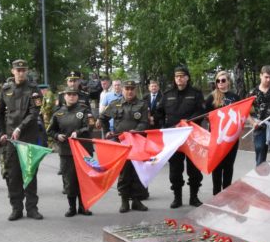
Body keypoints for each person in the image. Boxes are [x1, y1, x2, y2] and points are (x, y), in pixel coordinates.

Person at [0, 59, 43, 221]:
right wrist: (0, 133)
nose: (21, 73)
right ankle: (16, 208)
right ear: (12, 71)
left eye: (23, 70)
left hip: (28, 137)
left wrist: (20, 128)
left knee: (30, 173)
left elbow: (34, 112)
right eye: (18, 70)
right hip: (11, 139)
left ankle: (32, 208)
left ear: (27, 71)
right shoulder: (5, 90)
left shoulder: (34, 90)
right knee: (13, 174)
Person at [155, 65, 205, 208]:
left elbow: (201, 112)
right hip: (174, 137)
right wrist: (163, 127)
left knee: (194, 170)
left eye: (182, 76)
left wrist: (188, 122)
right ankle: (177, 198)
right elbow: (159, 112)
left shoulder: (196, 93)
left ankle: (194, 197)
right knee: (175, 170)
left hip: (191, 136)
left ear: (187, 78)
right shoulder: (167, 94)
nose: (179, 79)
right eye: (177, 76)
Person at [99, 80, 149, 213]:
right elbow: (102, 118)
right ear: (122, 90)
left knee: (137, 172)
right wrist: (107, 131)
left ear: (135, 90)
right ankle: (124, 200)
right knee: (124, 172)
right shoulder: (115, 104)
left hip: (137, 143)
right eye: (127, 89)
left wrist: (136, 130)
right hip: (121, 144)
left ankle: (136, 201)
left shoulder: (142, 104)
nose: (129, 91)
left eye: (132, 89)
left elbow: (144, 122)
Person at [47, 86, 94, 217]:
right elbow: (50, 130)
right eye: (69, 94)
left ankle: (83, 207)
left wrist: (78, 132)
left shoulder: (84, 110)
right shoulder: (58, 113)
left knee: (83, 179)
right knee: (69, 180)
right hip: (66, 151)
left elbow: (90, 126)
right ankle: (72, 207)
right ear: (65, 96)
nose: (71, 97)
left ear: (77, 97)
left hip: (83, 150)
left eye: (74, 94)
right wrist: (57, 136)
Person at [205, 71, 240, 195]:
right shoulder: (211, 97)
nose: (220, 83)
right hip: (216, 138)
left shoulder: (235, 97)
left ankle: (226, 193)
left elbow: (240, 114)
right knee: (217, 167)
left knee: (228, 166)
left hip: (231, 138)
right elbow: (205, 114)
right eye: (218, 81)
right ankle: (216, 194)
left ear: (228, 82)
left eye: (223, 80)